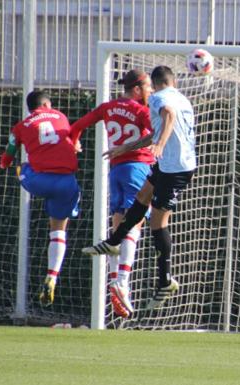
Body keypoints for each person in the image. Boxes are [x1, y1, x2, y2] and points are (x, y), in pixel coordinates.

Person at [82, 65, 196, 310]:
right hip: (171, 165)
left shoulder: (158, 97)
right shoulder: (182, 98)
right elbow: (156, 132)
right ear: (173, 80)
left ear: (153, 84)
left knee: (158, 222)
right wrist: (126, 148)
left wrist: (161, 145)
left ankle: (164, 281)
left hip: (174, 169)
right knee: (142, 196)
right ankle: (114, 240)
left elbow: (168, 117)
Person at [71, 69, 155, 318]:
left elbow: (76, 126)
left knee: (118, 224)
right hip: (138, 167)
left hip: (115, 172)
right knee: (135, 223)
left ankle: (114, 280)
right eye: (148, 87)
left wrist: (75, 141)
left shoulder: (107, 107)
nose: (151, 91)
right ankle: (123, 283)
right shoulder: (142, 111)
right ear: (137, 89)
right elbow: (156, 134)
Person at [0, 90, 81, 307]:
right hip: (67, 182)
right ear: (47, 104)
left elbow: (7, 156)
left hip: (39, 182)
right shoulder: (61, 117)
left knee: (21, 167)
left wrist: (5, 164)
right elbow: (73, 139)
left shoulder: (22, 126)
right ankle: (52, 276)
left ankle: (22, 174)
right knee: (58, 231)